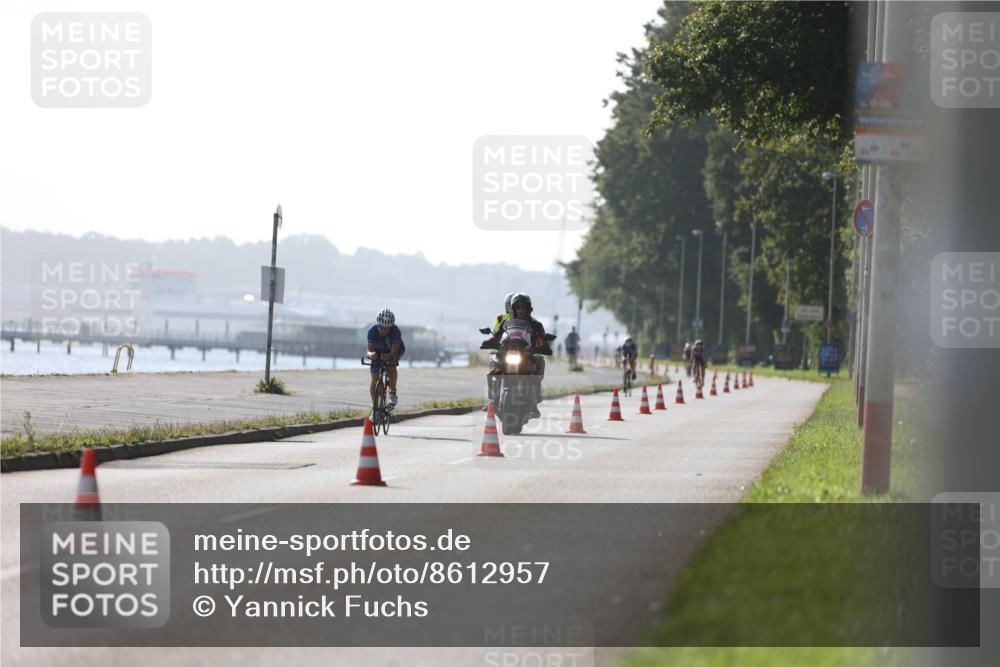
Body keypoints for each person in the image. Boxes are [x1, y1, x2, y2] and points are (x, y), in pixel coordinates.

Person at [494, 293, 549, 417]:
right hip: (509, 353)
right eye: (518, 308)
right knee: (494, 362)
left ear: (528, 309)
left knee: (539, 361)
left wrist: (541, 346)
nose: (521, 311)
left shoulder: (535, 324)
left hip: (527, 354)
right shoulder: (505, 322)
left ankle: (534, 402)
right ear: (513, 309)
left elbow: (541, 339)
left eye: (523, 308)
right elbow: (497, 336)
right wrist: (491, 342)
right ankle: (494, 398)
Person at [366, 308, 405, 409]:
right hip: (378, 352)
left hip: (393, 350)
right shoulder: (372, 331)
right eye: (381, 327)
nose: (384, 330)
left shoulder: (395, 331)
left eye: (387, 328)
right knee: (374, 379)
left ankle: (392, 394)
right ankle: (375, 408)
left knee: (391, 364)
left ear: (391, 327)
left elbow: (394, 352)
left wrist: (388, 357)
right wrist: (372, 355)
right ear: (378, 325)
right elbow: (369, 351)